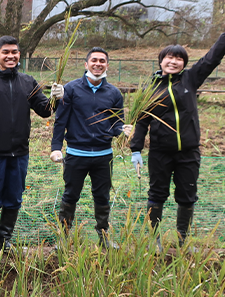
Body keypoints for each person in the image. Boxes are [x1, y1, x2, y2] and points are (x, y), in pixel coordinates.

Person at [0, 35, 63, 259]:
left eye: (14, 52)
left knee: (14, 197)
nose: (10, 56)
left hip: (19, 152)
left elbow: (44, 110)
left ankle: (6, 241)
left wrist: (56, 99)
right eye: (6, 52)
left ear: (19, 55)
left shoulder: (28, 82)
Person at [130, 33, 225, 251]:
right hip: (160, 153)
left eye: (179, 58)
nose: (173, 61)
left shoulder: (190, 79)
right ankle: (155, 240)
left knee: (187, 195)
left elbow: (212, 58)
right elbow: (142, 122)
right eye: (169, 57)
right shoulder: (150, 89)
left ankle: (183, 240)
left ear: (184, 63)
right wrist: (136, 148)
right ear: (161, 60)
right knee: (157, 194)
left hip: (189, 152)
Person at [50, 47, 132, 249]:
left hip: (104, 155)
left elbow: (116, 124)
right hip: (76, 155)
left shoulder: (113, 93)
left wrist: (124, 129)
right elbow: (60, 121)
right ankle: (63, 238)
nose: (98, 64)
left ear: (107, 65)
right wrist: (56, 147)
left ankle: (104, 237)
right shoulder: (70, 89)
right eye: (94, 60)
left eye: (102, 61)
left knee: (102, 196)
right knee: (70, 195)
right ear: (86, 64)